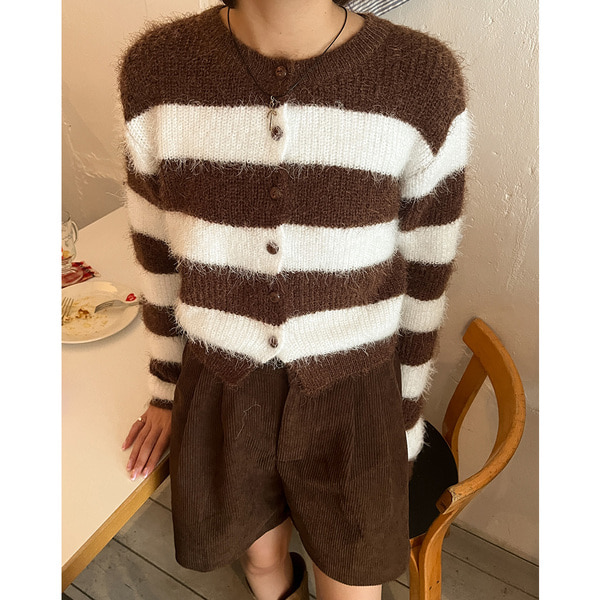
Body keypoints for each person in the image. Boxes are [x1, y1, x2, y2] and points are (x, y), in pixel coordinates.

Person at [118, 1, 470, 599]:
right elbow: (158, 259)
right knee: (259, 562)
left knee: (351, 582)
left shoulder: (421, 79)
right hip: (223, 386)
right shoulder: (156, 70)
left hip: (354, 393)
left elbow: (425, 276)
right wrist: (164, 387)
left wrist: (405, 414)